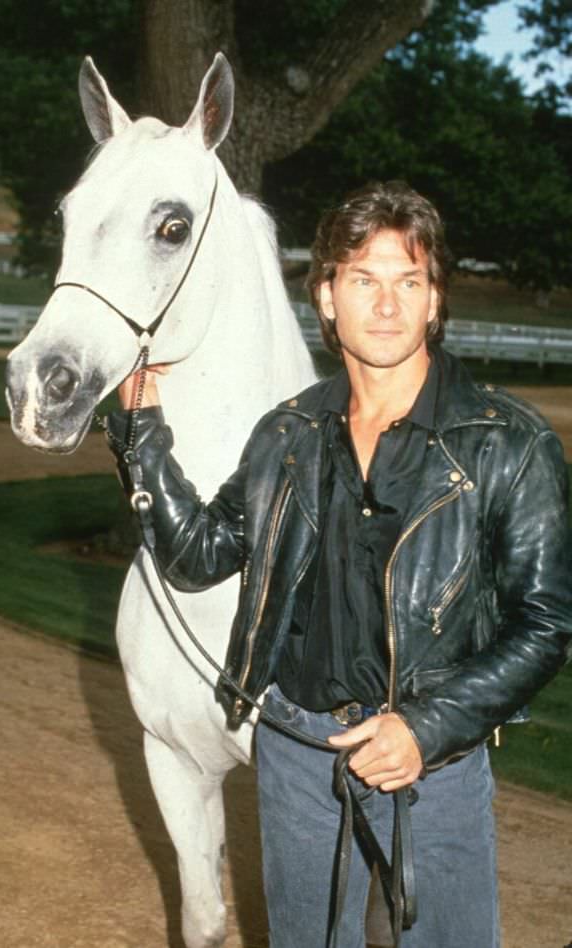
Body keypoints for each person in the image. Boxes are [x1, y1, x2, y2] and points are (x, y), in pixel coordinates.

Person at [106, 180, 572, 947]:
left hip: (434, 768)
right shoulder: (286, 434)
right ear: (326, 298)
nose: (386, 304)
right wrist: (142, 435)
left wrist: (426, 727)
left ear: (433, 300)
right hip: (296, 755)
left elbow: (547, 623)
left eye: (408, 281)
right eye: (363, 280)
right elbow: (195, 558)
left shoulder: (507, 443)